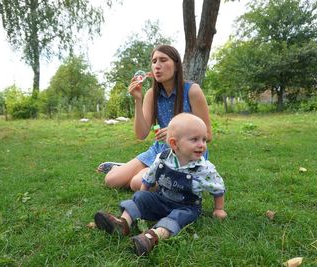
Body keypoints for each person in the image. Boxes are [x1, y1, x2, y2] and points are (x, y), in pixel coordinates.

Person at [94, 113, 227, 256]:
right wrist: (143, 193)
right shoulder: (163, 159)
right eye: (195, 139)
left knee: (178, 216)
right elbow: (149, 176)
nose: (201, 145)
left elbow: (218, 188)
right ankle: (122, 223)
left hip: (186, 206)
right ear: (174, 144)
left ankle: (152, 237)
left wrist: (219, 209)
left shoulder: (205, 168)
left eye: (204, 140)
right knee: (141, 197)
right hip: (161, 199)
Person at [97, 44, 212, 191]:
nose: (157, 65)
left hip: (187, 155)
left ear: (176, 66)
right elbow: (141, 134)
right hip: (160, 151)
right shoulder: (151, 94)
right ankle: (125, 169)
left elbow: (208, 135)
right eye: (154, 61)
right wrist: (138, 100)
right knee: (111, 180)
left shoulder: (192, 91)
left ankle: (138, 172)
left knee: (137, 183)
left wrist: (177, 134)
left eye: (163, 60)